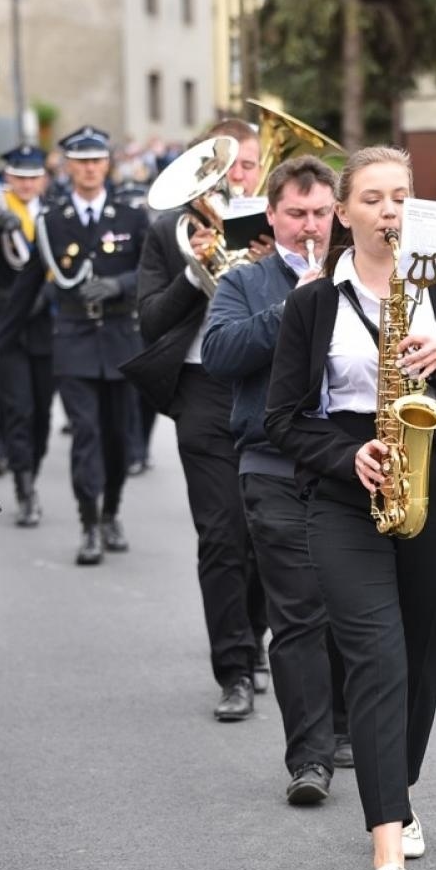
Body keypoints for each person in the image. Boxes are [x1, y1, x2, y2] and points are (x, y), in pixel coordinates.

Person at [265, 146, 436, 870]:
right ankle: (387, 848)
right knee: (377, 659)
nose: (389, 212)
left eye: (401, 199)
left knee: (423, 656)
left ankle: (399, 784)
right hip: (349, 495)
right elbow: (281, 419)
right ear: (342, 214)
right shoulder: (313, 304)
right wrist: (348, 455)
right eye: (373, 199)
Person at [201, 155, 353, 792]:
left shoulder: (361, 277)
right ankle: (309, 757)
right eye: (296, 214)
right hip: (271, 460)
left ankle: (346, 726)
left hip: (348, 463)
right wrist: (294, 304)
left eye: (321, 213)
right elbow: (220, 354)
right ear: (271, 215)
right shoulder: (246, 282)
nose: (309, 226)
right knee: (297, 614)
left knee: (351, 606)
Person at [125, 118, 269, 718]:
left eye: (249, 164)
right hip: (202, 388)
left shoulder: (281, 226)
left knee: (267, 531)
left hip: (266, 387)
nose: (240, 176)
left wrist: (271, 266)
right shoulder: (170, 231)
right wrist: (193, 271)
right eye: (230, 165)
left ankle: (255, 636)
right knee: (221, 534)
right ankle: (233, 669)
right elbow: (151, 320)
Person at [36, 126, 151, 564]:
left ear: (108, 163)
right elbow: (39, 276)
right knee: (86, 434)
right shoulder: (53, 217)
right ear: (68, 165)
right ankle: (88, 522)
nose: (89, 168)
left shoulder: (131, 212)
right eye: (81, 161)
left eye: (97, 160)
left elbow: (151, 271)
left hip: (121, 338)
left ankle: (112, 513)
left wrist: (119, 284)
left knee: (119, 436)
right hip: (76, 339)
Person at [0, 143, 55, 527]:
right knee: (18, 406)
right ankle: (24, 487)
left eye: (33, 177)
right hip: (6, 317)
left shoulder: (55, 213)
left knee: (41, 410)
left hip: (45, 320)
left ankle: (31, 469)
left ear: (44, 179)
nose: (26, 184)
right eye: (19, 177)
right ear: (9, 178)